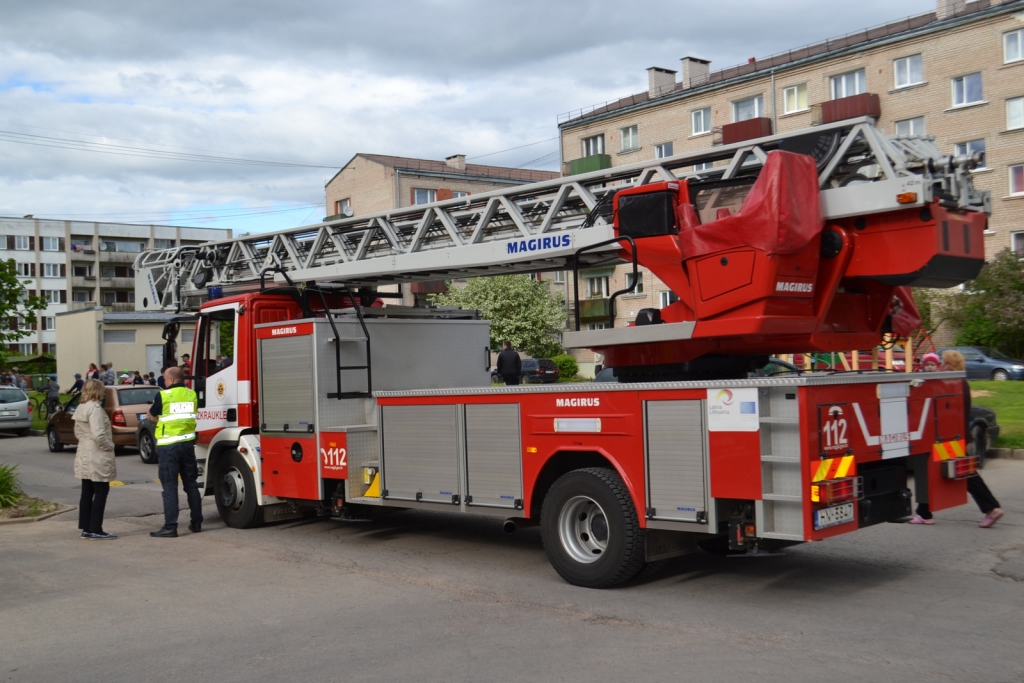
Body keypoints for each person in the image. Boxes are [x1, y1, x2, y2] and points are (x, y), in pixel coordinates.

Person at [910, 349, 1003, 528]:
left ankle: (991, 508)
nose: (940, 366)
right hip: (955, 435)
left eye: (943, 363)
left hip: (948, 436)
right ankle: (924, 512)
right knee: (945, 471)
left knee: (965, 473)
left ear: (950, 365)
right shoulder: (961, 383)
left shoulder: (950, 383)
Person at [149, 365, 203, 538]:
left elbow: (153, 414)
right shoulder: (191, 394)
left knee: (170, 487)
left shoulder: (163, 395)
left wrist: (154, 417)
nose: (164, 382)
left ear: (171, 380)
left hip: (169, 447)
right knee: (191, 485)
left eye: (165, 379)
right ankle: (196, 522)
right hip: (187, 445)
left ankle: (170, 526)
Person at [73, 379, 117, 540]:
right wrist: (110, 446)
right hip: (97, 452)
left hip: (84, 450)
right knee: (101, 491)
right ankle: (96, 528)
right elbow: (99, 434)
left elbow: (77, 432)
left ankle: (86, 527)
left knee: (87, 491)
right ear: (98, 390)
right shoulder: (95, 408)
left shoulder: (81, 406)